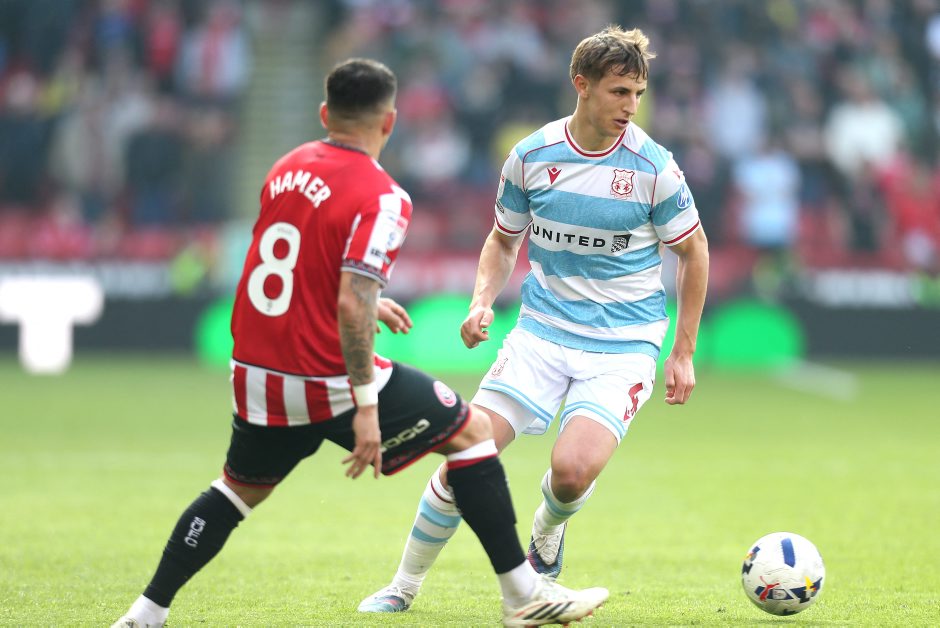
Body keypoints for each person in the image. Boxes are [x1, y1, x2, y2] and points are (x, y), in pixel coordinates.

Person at [111, 58, 609, 628]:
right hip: (325, 375)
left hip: (255, 370)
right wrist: (367, 406)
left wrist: (368, 303)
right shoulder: (384, 196)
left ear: (325, 114)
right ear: (389, 122)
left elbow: (295, 269)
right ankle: (523, 595)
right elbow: (351, 303)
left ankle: (145, 613)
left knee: (235, 491)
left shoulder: (286, 169)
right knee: (472, 436)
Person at [359, 26, 709, 613]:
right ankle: (402, 586)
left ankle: (548, 528)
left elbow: (694, 251)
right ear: (581, 84)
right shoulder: (531, 156)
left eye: (637, 94)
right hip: (541, 333)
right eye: (619, 91)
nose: (631, 106)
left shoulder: (655, 168)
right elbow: (503, 241)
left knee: (571, 472)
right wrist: (480, 301)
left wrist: (683, 351)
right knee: (466, 454)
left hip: (623, 342)